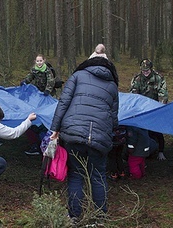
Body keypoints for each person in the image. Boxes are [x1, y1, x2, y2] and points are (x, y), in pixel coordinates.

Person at [50, 55, 119, 221]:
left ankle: (74, 216)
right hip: (99, 138)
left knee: (76, 174)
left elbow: (63, 103)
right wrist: (109, 135)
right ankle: (100, 217)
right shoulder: (112, 86)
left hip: (73, 134)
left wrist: (55, 129)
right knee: (98, 176)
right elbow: (114, 118)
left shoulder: (77, 76)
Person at [130, 59, 168, 160]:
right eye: (143, 71)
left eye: (147, 71)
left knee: (157, 130)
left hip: (155, 107)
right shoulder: (137, 79)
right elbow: (133, 95)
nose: (145, 73)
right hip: (141, 109)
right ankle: (144, 151)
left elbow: (163, 94)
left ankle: (161, 151)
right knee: (142, 131)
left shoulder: (158, 78)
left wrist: (160, 108)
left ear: (151, 69)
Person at [21, 54, 55, 155]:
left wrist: (48, 90)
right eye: (37, 61)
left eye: (41, 61)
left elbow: (51, 81)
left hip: (46, 93)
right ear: (35, 61)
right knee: (37, 109)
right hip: (37, 93)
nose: (39, 63)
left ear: (43, 61)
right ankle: (37, 128)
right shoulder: (34, 70)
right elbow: (30, 76)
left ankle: (46, 129)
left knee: (46, 109)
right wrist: (25, 81)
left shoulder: (47, 70)